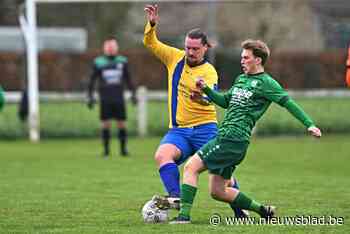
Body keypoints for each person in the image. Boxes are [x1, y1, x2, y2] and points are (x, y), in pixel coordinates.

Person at [170, 39, 322, 224]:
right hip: (231, 140)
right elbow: (226, 101)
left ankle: (184, 217)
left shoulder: (267, 83)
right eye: (242, 57)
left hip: (232, 138)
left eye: (246, 57)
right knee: (218, 191)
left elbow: (288, 103)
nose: (242, 60)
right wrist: (206, 90)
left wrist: (309, 124)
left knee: (190, 167)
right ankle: (263, 211)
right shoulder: (241, 79)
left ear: (257, 60)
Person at [143, 4, 247, 218]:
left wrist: (202, 97)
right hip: (179, 130)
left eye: (195, 49)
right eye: (188, 47)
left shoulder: (209, 72)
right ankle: (176, 197)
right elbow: (150, 42)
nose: (190, 52)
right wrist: (151, 24)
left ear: (205, 48)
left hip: (205, 129)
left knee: (221, 174)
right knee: (162, 155)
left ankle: (240, 210)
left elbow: (212, 99)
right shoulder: (174, 58)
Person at [87, 36, 137, 157]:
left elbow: (128, 79)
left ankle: (123, 150)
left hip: (118, 98)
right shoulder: (98, 62)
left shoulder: (122, 61)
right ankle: (106, 151)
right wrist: (90, 96)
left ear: (116, 48)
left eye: (112, 47)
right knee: (105, 124)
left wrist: (133, 94)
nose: (110, 49)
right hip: (105, 98)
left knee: (121, 123)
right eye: (108, 47)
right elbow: (92, 80)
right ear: (104, 48)